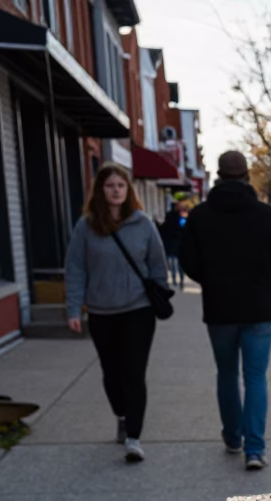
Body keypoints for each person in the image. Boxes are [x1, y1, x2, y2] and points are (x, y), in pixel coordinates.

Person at [178, 150, 271, 470]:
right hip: (259, 308)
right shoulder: (266, 215)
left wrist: (212, 281)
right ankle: (254, 449)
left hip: (219, 308)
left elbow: (188, 261)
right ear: (247, 176)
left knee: (226, 374)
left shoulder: (200, 216)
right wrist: (264, 280)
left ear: (218, 175)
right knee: (255, 377)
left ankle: (232, 437)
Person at [65, 163, 168, 463]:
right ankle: (122, 414)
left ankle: (134, 437)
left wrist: (160, 296)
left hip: (138, 310)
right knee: (111, 373)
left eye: (121, 186)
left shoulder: (143, 224)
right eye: (110, 185)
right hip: (101, 311)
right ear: (101, 190)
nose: (116, 190)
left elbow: (158, 266)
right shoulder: (85, 226)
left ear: (128, 190)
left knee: (134, 373)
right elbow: (75, 270)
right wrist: (74, 308)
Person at [159, 201, 187, 289]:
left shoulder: (167, 220)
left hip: (170, 245)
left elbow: (162, 232)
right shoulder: (180, 219)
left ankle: (174, 280)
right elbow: (185, 229)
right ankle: (181, 280)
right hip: (179, 244)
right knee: (180, 264)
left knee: (173, 263)